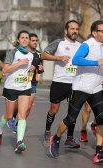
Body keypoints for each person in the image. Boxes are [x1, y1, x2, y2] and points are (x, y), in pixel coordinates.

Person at [49, 20, 103, 163]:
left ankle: (99, 152)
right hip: (81, 87)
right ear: (94, 33)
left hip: (97, 87)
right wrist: (96, 62)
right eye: (102, 31)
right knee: (71, 119)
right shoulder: (87, 45)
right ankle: (56, 138)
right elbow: (76, 59)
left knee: (101, 118)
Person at [41, 20, 81, 148]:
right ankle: (47, 132)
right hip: (60, 82)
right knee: (54, 109)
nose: (75, 31)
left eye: (76, 29)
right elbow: (43, 55)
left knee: (73, 111)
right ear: (66, 31)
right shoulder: (59, 43)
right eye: (72, 29)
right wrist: (58, 58)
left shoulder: (82, 46)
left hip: (75, 83)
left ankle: (69, 138)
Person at [0, 30, 35, 154]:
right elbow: (5, 70)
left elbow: (27, 72)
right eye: (22, 38)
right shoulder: (13, 53)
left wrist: (31, 69)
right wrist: (19, 63)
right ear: (18, 39)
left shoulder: (31, 55)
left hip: (25, 87)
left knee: (22, 115)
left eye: (26, 38)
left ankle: (19, 142)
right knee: (9, 115)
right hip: (11, 87)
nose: (24, 40)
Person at [7, 33, 44, 133]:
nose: (35, 42)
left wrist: (39, 68)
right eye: (33, 40)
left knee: (28, 107)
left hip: (32, 83)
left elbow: (40, 68)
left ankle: (19, 125)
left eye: (36, 41)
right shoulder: (20, 53)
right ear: (28, 42)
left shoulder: (39, 54)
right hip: (19, 82)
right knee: (18, 105)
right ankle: (13, 116)